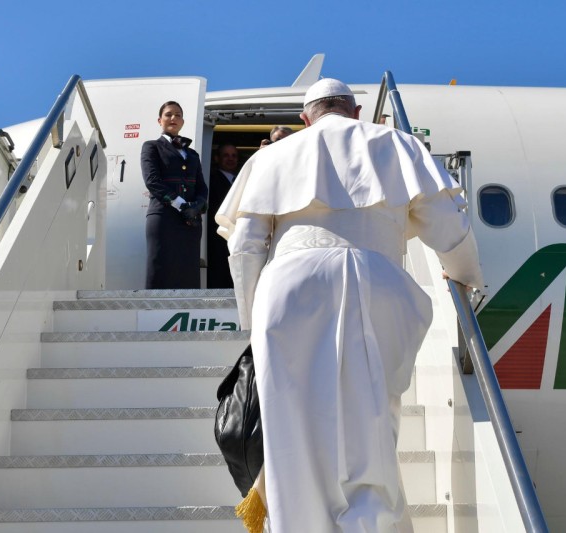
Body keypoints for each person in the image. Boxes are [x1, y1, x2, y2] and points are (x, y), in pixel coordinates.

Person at [216, 78, 484, 531]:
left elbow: (245, 247)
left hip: (290, 285)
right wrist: (467, 278)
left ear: (305, 118)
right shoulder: (397, 143)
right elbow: (448, 227)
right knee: (370, 423)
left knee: (291, 430)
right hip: (376, 279)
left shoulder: (272, 156)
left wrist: (253, 322)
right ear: (356, 111)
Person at [140, 101, 208, 289]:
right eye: (168, 114)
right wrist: (182, 205)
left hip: (191, 222)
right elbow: (152, 181)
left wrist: (198, 206)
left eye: (178, 115)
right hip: (164, 218)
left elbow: (202, 187)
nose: (173, 118)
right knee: (160, 271)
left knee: (188, 274)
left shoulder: (192, 154)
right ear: (159, 120)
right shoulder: (151, 147)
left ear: (183, 121)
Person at [207, 143, 239, 288]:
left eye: (234, 156)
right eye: (226, 155)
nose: (230, 159)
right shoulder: (211, 179)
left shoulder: (241, 179)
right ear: (216, 158)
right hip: (218, 242)